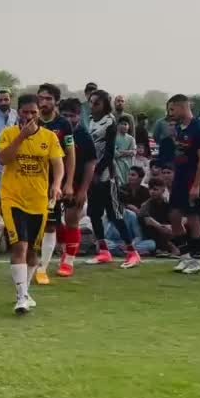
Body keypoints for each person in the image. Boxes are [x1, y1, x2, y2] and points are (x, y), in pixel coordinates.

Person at [0, 94, 64, 313]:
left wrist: (57, 184)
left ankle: (25, 291)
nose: (29, 116)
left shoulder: (49, 137)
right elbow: (3, 159)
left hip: (38, 200)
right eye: (25, 112)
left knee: (33, 251)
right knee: (20, 245)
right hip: (13, 198)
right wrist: (21, 138)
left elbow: (58, 164)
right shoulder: (8, 134)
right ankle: (21, 297)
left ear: (39, 113)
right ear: (18, 113)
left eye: (33, 112)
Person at [86, 91, 141, 269]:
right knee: (94, 213)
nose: (92, 106)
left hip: (106, 176)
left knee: (115, 214)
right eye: (91, 103)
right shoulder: (91, 121)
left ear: (105, 105)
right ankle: (104, 251)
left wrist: (97, 171)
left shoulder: (110, 122)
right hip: (92, 174)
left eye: (96, 103)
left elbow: (109, 153)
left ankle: (132, 252)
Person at [32, 83, 76, 284]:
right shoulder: (30, 119)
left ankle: (42, 269)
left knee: (50, 225)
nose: (44, 102)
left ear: (56, 101)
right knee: (32, 225)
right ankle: (29, 263)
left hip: (53, 183)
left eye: (49, 98)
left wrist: (68, 182)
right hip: (31, 181)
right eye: (41, 98)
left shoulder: (63, 124)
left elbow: (70, 154)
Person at [166, 93, 200, 274]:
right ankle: (184, 257)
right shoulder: (178, 128)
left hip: (192, 180)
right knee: (174, 216)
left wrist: (196, 185)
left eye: (172, 109)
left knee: (193, 220)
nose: (170, 113)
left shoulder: (199, 129)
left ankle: (197, 262)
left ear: (182, 107)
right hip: (179, 179)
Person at [55, 98, 98, 277]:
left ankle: (69, 261)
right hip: (54, 182)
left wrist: (83, 190)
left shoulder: (83, 135)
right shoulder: (54, 130)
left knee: (72, 218)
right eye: (64, 115)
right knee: (53, 222)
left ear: (79, 116)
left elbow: (91, 163)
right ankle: (62, 249)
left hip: (77, 183)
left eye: (72, 116)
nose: (68, 119)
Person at [138, 180, 179, 255]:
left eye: (155, 189)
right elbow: (147, 220)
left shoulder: (168, 203)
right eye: (150, 189)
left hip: (170, 230)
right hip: (152, 233)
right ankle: (168, 247)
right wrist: (161, 227)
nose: (152, 192)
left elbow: (181, 216)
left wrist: (173, 226)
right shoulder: (146, 205)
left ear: (163, 190)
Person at [113, 117, 136, 188]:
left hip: (128, 165)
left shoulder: (131, 139)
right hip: (117, 165)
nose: (125, 126)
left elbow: (133, 152)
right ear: (118, 125)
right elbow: (115, 154)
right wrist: (128, 152)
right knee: (119, 185)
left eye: (126, 124)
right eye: (123, 124)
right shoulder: (113, 138)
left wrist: (121, 151)